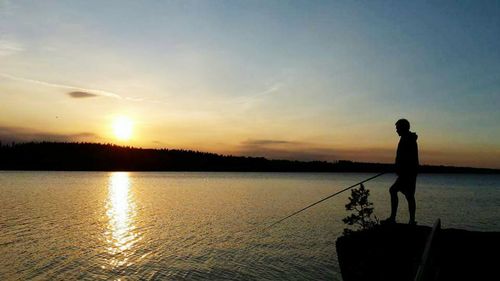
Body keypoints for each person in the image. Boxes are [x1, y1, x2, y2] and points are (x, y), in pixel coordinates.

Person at [383, 118, 419, 225]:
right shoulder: (406, 138)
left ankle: (395, 218)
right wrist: (397, 166)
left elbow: (408, 158)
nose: (396, 130)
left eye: (397, 128)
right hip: (408, 172)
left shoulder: (408, 139)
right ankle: (410, 220)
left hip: (408, 173)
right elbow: (402, 157)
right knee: (408, 195)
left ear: (402, 128)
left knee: (395, 191)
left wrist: (399, 166)